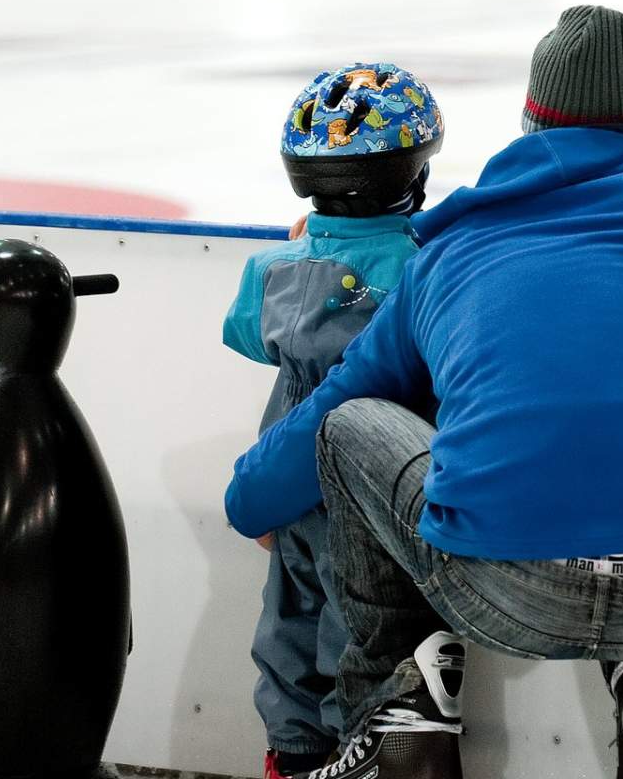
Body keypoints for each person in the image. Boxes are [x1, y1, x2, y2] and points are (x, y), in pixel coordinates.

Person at [226, 5, 623, 779]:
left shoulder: (450, 246)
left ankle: (403, 708)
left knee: (353, 422)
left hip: (506, 585)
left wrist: (249, 497)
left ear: (528, 120)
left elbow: (336, 404)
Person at [223, 63, 446, 779]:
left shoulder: (273, 270)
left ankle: (290, 756)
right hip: (375, 489)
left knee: (287, 621)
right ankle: (364, 751)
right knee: (363, 627)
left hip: (286, 483)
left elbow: (250, 335)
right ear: (413, 172)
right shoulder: (426, 265)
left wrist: (304, 253)